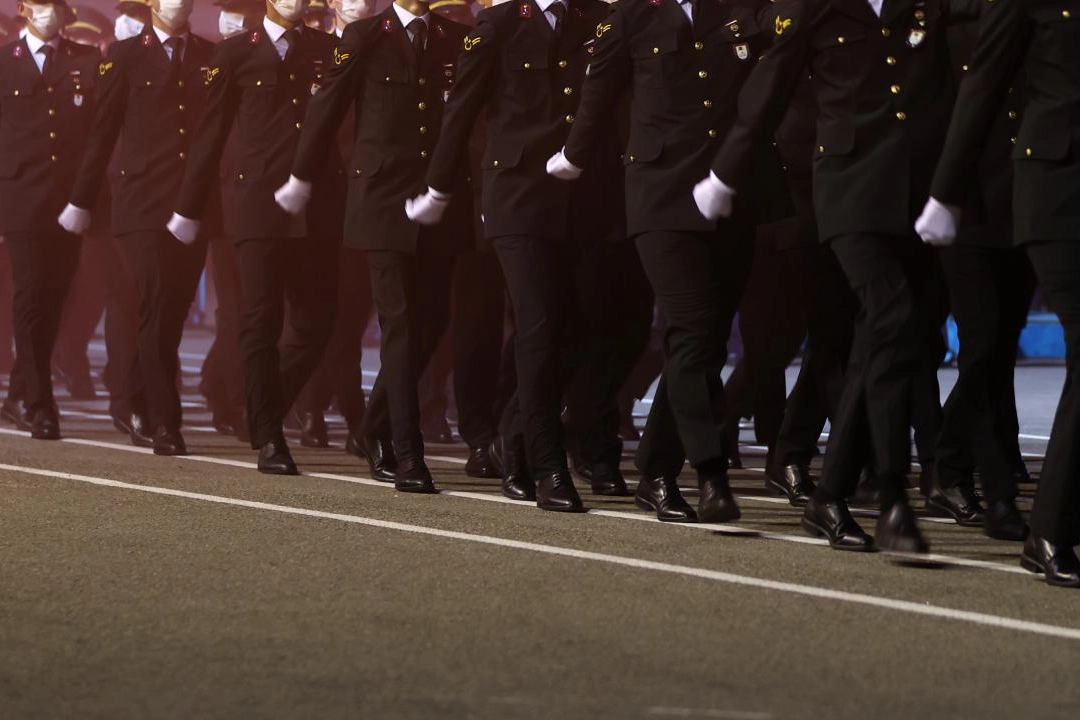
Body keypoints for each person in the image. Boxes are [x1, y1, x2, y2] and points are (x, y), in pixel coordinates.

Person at [697, 0, 965, 554]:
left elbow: (954, 87)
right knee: (891, 317)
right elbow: (770, 84)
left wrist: (952, 186)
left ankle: (830, 493)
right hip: (848, 190)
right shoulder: (815, 6)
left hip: (914, 194)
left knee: (880, 341)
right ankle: (894, 495)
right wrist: (726, 172)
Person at [551, 0, 785, 522]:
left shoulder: (743, 10)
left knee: (702, 339)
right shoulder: (631, 18)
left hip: (732, 194)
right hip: (661, 195)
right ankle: (710, 472)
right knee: (694, 327)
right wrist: (573, 157)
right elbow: (597, 96)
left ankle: (656, 471)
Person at [410, 0, 625, 512]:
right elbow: (461, 109)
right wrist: (438, 187)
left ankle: (512, 436)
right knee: (539, 324)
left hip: (581, 199)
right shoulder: (500, 24)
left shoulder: (595, 20)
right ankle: (547, 467)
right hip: (517, 196)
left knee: (577, 329)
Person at [277, 0, 475, 493]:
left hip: (438, 201)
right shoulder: (366, 36)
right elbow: (326, 107)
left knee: (431, 325)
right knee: (401, 324)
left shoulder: (454, 39)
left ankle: (370, 429)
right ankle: (407, 455)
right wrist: (301, 176)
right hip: (383, 201)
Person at [916, 0, 1080, 587]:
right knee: (984, 346)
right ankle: (1012, 504)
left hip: (1021, 193)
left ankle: (996, 485)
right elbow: (971, 89)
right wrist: (942, 193)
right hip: (1015, 195)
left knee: (997, 345)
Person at [169, 0, 342, 475]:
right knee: (260, 320)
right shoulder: (235, 53)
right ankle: (270, 437)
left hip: (314, 205)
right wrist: (189, 207)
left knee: (317, 321)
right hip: (255, 204)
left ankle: (261, 408)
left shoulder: (325, 49)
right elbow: (210, 133)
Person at [60, 0, 212, 457]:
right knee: (156, 302)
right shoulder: (125, 56)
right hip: (140, 204)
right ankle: (164, 420)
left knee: (171, 310)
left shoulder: (209, 55)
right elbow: (103, 132)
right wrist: (81, 199)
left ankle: (134, 399)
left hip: (193, 205)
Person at [0, 0, 100, 440]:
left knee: (57, 297)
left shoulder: (86, 60)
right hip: (20, 198)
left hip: (69, 201)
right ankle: (40, 403)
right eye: (41, 4)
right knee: (30, 294)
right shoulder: (5, 60)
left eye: (56, 5)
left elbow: (95, 130)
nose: (50, 12)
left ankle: (18, 392)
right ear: (24, 9)